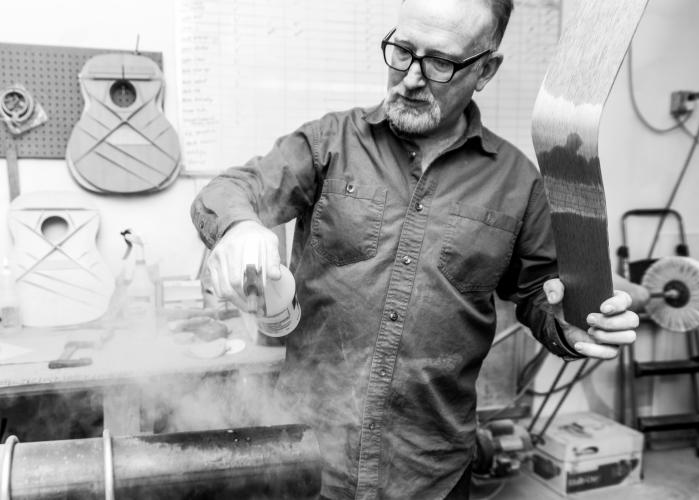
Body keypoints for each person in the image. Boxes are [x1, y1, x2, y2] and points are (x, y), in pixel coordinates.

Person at [190, 0, 640, 498]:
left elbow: (542, 295)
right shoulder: (328, 144)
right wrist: (239, 228)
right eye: (402, 50)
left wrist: (571, 324)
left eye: (440, 62)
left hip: (430, 470)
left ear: (486, 70)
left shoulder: (518, 183)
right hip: (310, 460)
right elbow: (230, 190)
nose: (409, 78)